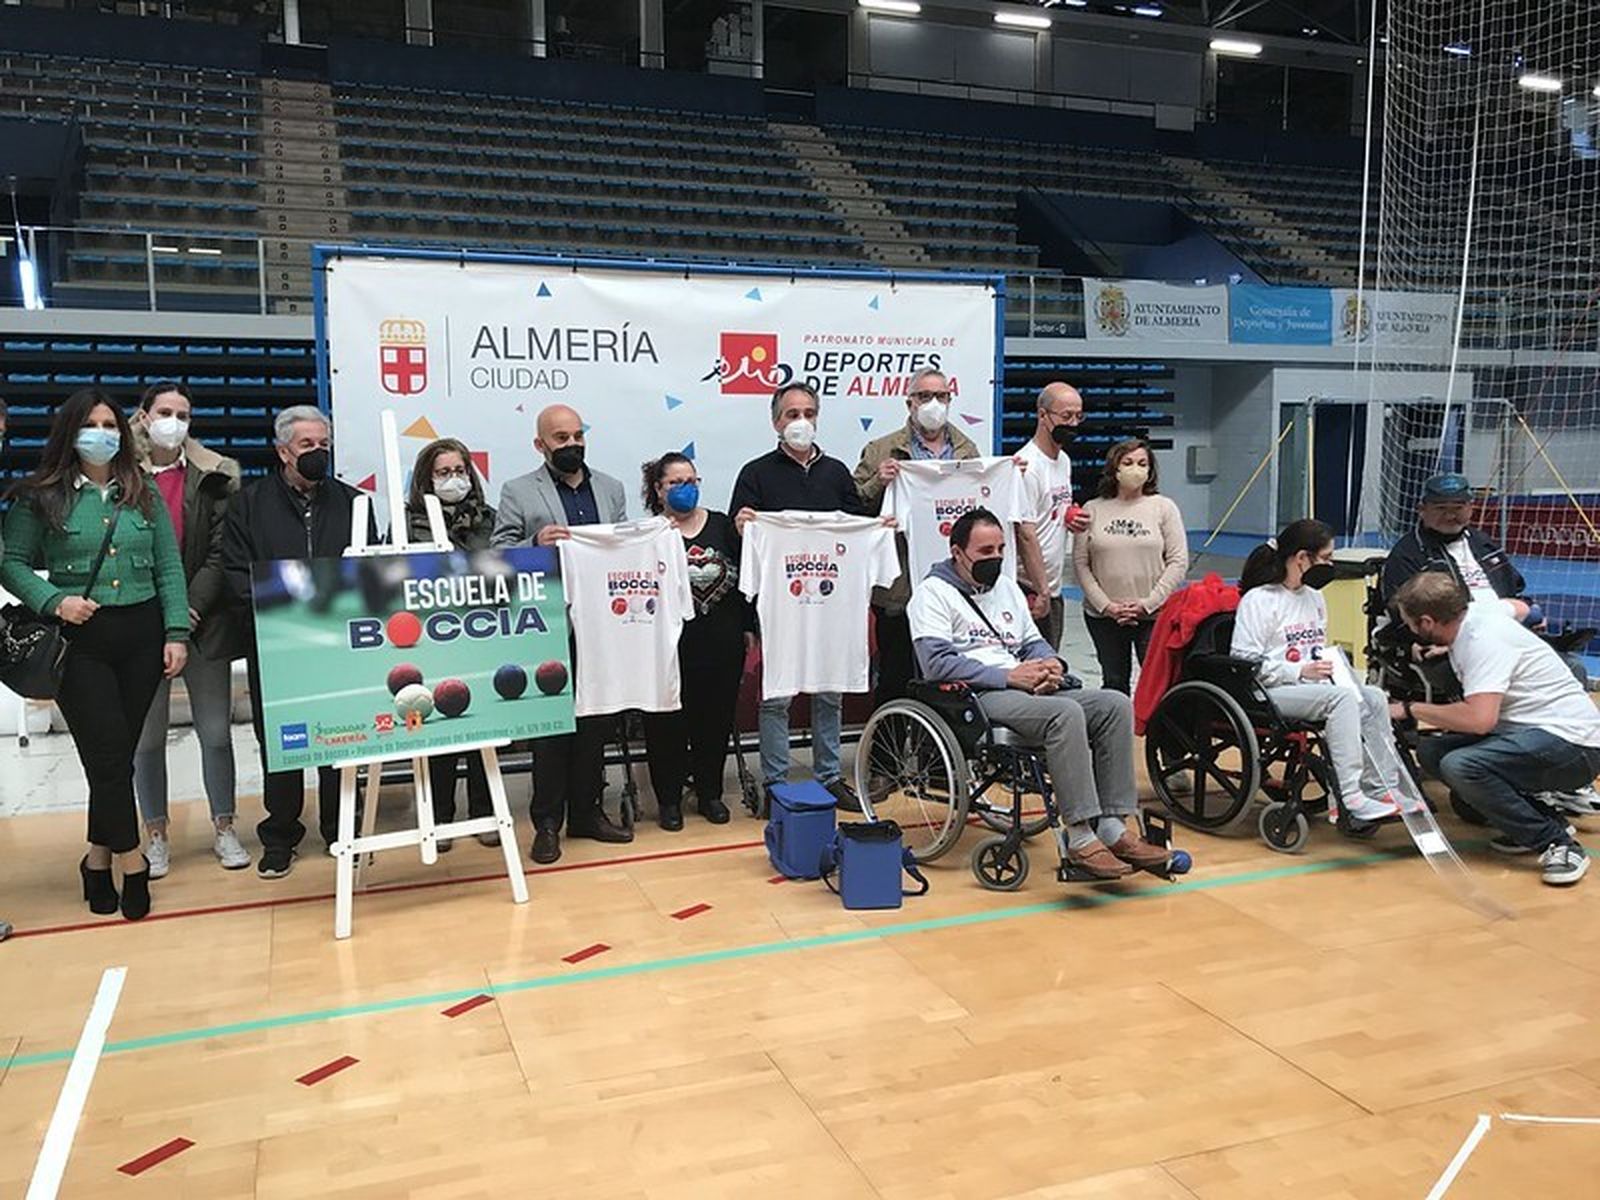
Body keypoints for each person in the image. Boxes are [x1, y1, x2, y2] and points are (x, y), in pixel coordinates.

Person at [1, 388, 189, 921]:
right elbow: (9, 562)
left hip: (141, 633)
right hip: (80, 642)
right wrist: (54, 601)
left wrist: (176, 631)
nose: (103, 434)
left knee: (115, 758)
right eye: (92, 424)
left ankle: (96, 857)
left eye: (110, 424)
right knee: (107, 755)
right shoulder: (41, 496)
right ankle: (131, 863)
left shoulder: (142, 492)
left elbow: (168, 567)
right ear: (70, 433)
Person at [907, 507, 1166, 879]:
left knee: (1114, 704)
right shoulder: (932, 594)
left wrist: (1051, 666)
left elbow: (1033, 643)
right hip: (978, 694)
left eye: (999, 550)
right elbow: (936, 664)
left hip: (1027, 685)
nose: (995, 558)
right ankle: (1079, 837)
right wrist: (1010, 676)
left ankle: (1112, 825)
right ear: (957, 552)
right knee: (1065, 715)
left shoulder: (1008, 588)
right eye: (985, 552)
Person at [222, 405, 372, 880]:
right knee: (281, 743)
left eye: (323, 445)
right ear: (282, 450)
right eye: (307, 446)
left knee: (341, 736)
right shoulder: (248, 504)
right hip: (277, 644)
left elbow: (371, 567)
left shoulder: (354, 502)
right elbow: (234, 573)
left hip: (339, 644)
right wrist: (283, 612)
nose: (317, 454)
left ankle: (339, 826)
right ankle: (281, 834)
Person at [852, 367, 1048, 707]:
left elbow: (983, 513)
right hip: (900, 588)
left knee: (948, 680)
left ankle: (938, 752)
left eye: (941, 396)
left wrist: (1008, 476)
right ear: (909, 402)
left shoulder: (966, 449)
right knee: (896, 676)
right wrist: (878, 484)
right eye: (925, 396)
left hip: (957, 587)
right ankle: (888, 753)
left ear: (950, 400)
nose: (933, 403)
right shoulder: (882, 450)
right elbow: (854, 512)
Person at [1393, 572, 1598, 886]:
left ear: (1428, 621)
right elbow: (1520, 607)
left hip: (1573, 745)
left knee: (1461, 766)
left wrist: (1410, 709)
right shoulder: (1478, 612)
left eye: (1410, 623)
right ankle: (1539, 819)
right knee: (1432, 750)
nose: (1409, 630)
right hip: (1532, 730)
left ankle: (1557, 843)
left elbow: (1479, 721)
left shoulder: (1480, 641)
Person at [491, 403, 631, 864]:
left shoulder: (611, 489)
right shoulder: (517, 491)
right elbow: (499, 553)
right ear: (540, 444)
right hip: (548, 624)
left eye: (576, 435)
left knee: (596, 723)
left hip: (604, 625)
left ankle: (587, 813)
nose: (571, 444)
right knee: (551, 726)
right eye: (560, 438)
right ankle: (547, 822)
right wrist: (534, 546)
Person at [129, 381, 249, 877]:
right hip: (140, 625)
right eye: (164, 411)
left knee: (217, 733)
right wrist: (159, 620)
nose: (173, 421)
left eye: (182, 413)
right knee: (147, 740)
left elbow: (221, 553)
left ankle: (225, 826)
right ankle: (155, 833)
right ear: (142, 416)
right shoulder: (117, 474)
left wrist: (185, 614)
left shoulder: (218, 474)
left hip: (203, 623)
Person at [730, 381, 864, 809]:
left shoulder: (837, 472)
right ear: (776, 422)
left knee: (830, 692)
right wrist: (743, 526)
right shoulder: (755, 473)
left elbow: (858, 526)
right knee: (777, 696)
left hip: (830, 603)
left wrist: (878, 526)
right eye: (791, 414)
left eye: (808, 412)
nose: (800, 421)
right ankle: (776, 782)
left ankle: (828, 776)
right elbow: (740, 544)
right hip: (780, 604)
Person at [1231, 518, 1404, 828]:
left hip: (1311, 687)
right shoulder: (1259, 600)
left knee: (1375, 697)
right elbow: (1243, 660)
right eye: (1326, 558)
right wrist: (1299, 671)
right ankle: (1351, 795)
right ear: (1301, 558)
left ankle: (1383, 788)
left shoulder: (1315, 597)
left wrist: (1334, 670)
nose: (1330, 564)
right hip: (1268, 690)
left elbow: (1316, 648)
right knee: (1339, 700)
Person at [637, 452, 745, 829]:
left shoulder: (722, 525)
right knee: (666, 724)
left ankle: (709, 793)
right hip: (668, 648)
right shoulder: (649, 534)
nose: (686, 489)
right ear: (659, 489)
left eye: (692, 482)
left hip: (722, 644)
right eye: (676, 483)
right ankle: (668, 800)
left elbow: (747, 578)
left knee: (714, 722)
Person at [406, 437, 500, 851]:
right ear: (426, 480)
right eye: (443, 473)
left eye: (460, 471)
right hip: (432, 640)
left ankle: (484, 813)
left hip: (483, 637)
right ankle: (439, 817)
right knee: (439, 727)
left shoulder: (491, 519)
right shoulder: (407, 522)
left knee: (484, 725)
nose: (453, 480)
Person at [1071, 438, 1188, 694]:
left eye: (1142, 463)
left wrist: (1148, 603)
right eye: (1128, 462)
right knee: (1114, 682)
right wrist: (1107, 606)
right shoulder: (1092, 508)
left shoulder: (1164, 507)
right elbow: (1081, 564)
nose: (1135, 468)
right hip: (1103, 615)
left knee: (1158, 685)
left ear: (1150, 470)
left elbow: (1178, 561)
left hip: (1152, 614)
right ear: (1115, 467)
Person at [1016, 382, 1092, 649]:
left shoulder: (1064, 461)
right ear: (1042, 415)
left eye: (1078, 416)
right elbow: (1025, 533)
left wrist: (1070, 516)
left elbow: (1053, 510)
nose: (1072, 423)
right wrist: (1041, 590)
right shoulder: (1028, 466)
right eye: (1066, 416)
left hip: (1054, 584)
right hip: (1030, 587)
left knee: (1053, 662)